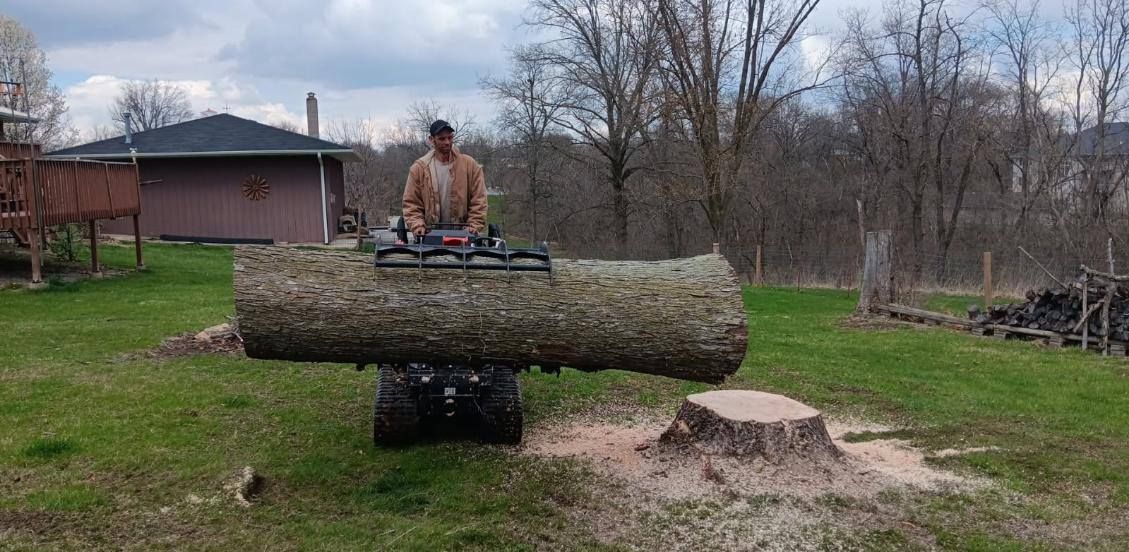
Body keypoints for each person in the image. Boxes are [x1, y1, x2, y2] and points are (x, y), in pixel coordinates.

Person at [402, 119, 488, 237]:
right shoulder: (419, 169)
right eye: (442, 139)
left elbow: (479, 200)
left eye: (450, 137)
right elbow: (411, 203)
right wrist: (418, 225)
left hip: (464, 235)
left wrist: (473, 225)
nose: (447, 142)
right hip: (429, 236)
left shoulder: (469, 165)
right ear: (431, 140)